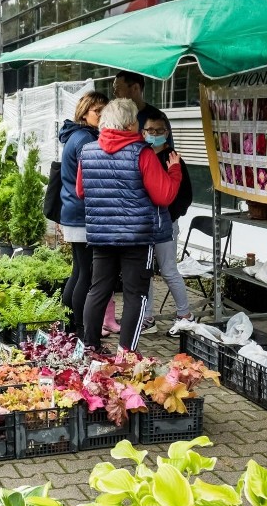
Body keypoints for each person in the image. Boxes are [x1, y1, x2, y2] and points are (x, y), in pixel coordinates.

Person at [76, 98, 182, 353]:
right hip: (137, 237)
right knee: (136, 294)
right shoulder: (142, 153)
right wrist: (175, 171)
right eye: (136, 119)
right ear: (129, 123)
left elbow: (81, 191)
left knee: (98, 289)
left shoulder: (88, 151)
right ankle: (126, 351)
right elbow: (163, 196)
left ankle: (90, 345)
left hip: (101, 235)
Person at [57, 91, 111, 339]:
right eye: (96, 111)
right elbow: (90, 179)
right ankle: (79, 328)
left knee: (78, 271)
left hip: (73, 212)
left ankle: (69, 324)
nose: (100, 115)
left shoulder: (76, 135)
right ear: (84, 112)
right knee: (86, 274)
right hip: (82, 214)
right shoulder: (84, 140)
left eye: (104, 111)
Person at [139, 111, 194, 336]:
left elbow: (185, 195)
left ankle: (185, 314)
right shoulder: (141, 154)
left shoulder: (173, 158)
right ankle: (148, 318)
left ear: (167, 133)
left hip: (167, 225)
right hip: (144, 224)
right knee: (145, 272)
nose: (154, 134)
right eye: (150, 130)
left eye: (159, 131)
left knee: (169, 269)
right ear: (142, 132)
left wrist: (170, 215)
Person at [113, 70, 174, 147]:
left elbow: (167, 152)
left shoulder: (158, 117)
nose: (114, 93)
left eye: (118, 88)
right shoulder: (115, 118)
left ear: (135, 88)